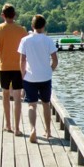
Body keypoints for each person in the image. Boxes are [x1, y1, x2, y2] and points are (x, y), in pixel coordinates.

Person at [0, 3, 28, 136]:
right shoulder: (22, 30)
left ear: (2, 15)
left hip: (3, 67)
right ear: (14, 15)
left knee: (5, 95)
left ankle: (8, 125)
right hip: (18, 67)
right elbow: (26, 51)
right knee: (17, 97)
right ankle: (17, 128)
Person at [19, 14, 58, 144]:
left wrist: (22, 75)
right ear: (44, 25)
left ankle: (33, 129)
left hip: (30, 77)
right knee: (46, 104)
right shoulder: (48, 40)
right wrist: (50, 69)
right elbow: (55, 60)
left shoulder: (25, 40)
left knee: (32, 105)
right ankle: (48, 131)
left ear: (32, 26)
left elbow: (22, 61)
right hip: (45, 77)